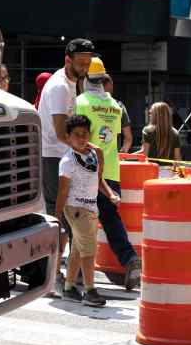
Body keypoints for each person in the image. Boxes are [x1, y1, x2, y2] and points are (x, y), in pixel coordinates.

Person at [75, 57, 141, 290]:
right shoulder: (115, 106)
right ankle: (130, 259)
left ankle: (79, 274)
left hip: (86, 171)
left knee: (80, 222)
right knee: (111, 221)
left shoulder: (81, 102)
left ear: (86, 79)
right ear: (103, 80)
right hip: (111, 171)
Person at [37, 38, 94, 292]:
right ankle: (54, 272)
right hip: (54, 156)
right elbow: (61, 132)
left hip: (63, 155)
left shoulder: (73, 82)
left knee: (71, 214)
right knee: (57, 215)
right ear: (67, 60)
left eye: (88, 62)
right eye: (81, 62)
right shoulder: (60, 87)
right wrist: (83, 150)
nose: (85, 66)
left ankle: (70, 272)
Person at [55, 115, 120, 306]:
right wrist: (57, 217)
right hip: (76, 209)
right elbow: (62, 190)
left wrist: (110, 194)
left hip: (91, 207)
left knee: (77, 249)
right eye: (77, 135)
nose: (82, 138)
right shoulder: (67, 161)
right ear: (68, 137)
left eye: (85, 134)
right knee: (90, 251)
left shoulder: (93, 154)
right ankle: (90, 290)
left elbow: (98, 180)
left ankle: (69, 287)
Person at [141, 102, 182, 176]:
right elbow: (177, 159)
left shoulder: (147, 130)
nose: (149, 115)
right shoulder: (175, 133)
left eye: (151, 113)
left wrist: (127, 156)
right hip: (170, 173)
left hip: (152, 172)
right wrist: (180, 175)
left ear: (156, 115)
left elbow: (144, 155)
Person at [102, 74, 133, 153]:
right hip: (113, 158)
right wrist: (122, 153)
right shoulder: (119, 106)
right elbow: (128, 137)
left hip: (92, 158)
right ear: (110, 85)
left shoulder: (87, 104)